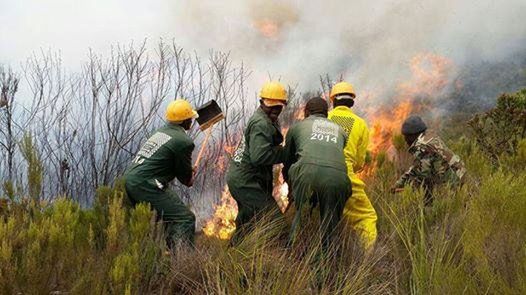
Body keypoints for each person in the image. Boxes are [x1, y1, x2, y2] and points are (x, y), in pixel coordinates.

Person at [124, 99, 198, 247]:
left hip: (131, 179)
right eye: (190, 118)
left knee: (166, 218)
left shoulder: (160, 132)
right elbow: (186, 180)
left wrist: (186, 172)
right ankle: (183, 261)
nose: (192, 121)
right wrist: (190, 175)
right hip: (146, 184)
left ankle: (167, 252)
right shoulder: (183, 141)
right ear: (185, 121)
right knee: (185, 218)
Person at [283, 97, 351, 250]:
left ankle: (291, 252)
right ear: (326, 114)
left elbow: (288, 161)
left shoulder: (297, 127)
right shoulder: (341, 130)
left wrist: (291, 187)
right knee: (331, 222)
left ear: (306, 112)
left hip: (307, 173)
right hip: (339, 177)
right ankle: (329, 260)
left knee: (300, 216)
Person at [226, 81, 288, 245]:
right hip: (245, 181)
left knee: (247, 223)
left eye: (279, 106)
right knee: (275, 221)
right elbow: (260, 156)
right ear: (261, 103)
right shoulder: (261, 123)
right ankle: (284, 257)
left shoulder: (266, 118)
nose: (275, 109)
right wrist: (287, 152)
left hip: (242, 177)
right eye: (271, 105)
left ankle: (233, 254)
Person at [328, 81, 378, 249]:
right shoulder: (360, 124)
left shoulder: (324, 118)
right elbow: (358, 162)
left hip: (314, 171)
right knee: (366, 216)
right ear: (352, 102)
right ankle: (367, 258)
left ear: (333, 100)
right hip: (344, 174)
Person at [392, 115, 466, 205]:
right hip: (461, 174)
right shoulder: (429, 137)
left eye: (406, 137)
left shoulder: (422, 147)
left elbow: (423, 176)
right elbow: (416, 167)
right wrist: (399, 182)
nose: (405, 140)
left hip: (452, 185)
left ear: (412, 136)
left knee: (429, 194)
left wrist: (406, 189)